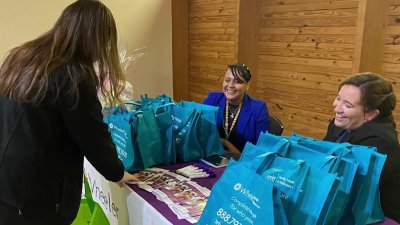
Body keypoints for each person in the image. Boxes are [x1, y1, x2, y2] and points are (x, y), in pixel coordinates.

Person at [0, 1, 139, 224]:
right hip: (36, 195)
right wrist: (116, 172)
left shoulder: (21, 57)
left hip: (8, 183)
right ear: (96, 39)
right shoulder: (73, 75)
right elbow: (92, 135)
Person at [323, 72, 400, 222]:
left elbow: (349, 190)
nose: (337, 108)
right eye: (338, 98)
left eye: (348, 105)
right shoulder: (343, 123)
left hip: (375, 215)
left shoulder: (380, 143)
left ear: (371, 114)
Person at [203, 63, 270, 158]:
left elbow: (261, 151)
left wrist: (228, 145)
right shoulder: (213, 99)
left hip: (242, 164)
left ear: (247, 86)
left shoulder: (258, 109)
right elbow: (201, 132)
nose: (230, 85)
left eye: (237, 81)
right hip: (211, 158)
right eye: (227, 80)